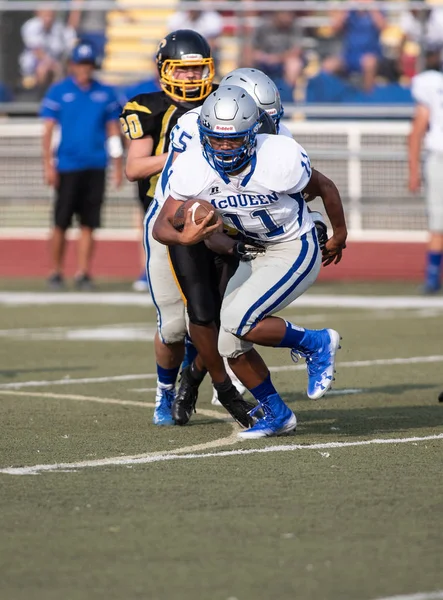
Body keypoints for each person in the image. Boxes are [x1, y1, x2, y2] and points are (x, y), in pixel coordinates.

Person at [153, 85, 348, 439]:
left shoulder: (279, 155)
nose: (225, 147)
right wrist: (185, 237)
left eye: (234, 140)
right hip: (254, 249)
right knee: (229, 343)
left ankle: (316, 342)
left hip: (292, 246)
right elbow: (161, 225)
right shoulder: (194, 165)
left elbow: (326, 187)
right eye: (216, 139)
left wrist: (339, 236)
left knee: (238, 320)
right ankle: (277, 414)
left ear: (253, 134)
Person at [121, 30, 247, 427]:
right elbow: (134, 168)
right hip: (168, 217)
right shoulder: (145, 106)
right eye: (185, 70)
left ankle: (198, 380)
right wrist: (185, 154)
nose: (193, 78)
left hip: (217, 217)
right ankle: (165, 390)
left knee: (215, 313)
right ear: (164, 71)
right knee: (174, 326)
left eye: (198, 70)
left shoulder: (222, 103)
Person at [40, 41, 123, 290]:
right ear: (72, 65)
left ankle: (83, 272)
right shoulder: (58, 91)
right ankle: (55, 271)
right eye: (80, 64)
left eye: (88, 64)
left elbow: (113, 131)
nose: (85, 69)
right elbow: (48, 130)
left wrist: (117, 165)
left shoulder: (106, 94)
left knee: (89, 222)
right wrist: (48, 164)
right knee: (61, 221)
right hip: (67, 165)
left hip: (96, 165)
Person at [408, 44, 443, 294]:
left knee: (438, 220)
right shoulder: (431, 83)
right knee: (438, 220)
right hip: (439, 155)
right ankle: (432, 277)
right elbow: (419, 128)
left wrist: (413, 170)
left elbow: (418, 129)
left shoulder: (429, 82)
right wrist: (413, 170)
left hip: (438, 156)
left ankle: (432, 278)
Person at [322, 1, 387, 92]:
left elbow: (383, 27)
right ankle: (330, 99)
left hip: (371, 52)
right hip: (349, 54)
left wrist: (371, 7)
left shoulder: (377, 6)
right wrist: (346, 8)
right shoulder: (349, 10)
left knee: (369, 63)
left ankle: (367, 97)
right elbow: (335, 27)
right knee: (328, 65)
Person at [20, 9, 76, 91]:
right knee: (43, 69)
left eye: (51, 14)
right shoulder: (30, 26)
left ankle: (57, 95)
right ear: (38, 13)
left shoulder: (60, 27)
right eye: (45, 14)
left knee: (67, 68)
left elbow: (69, 45)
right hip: (33, 66)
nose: (48, 18)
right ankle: (40, 96)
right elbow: (37, 52)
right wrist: (52, 65)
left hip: (57, 63)